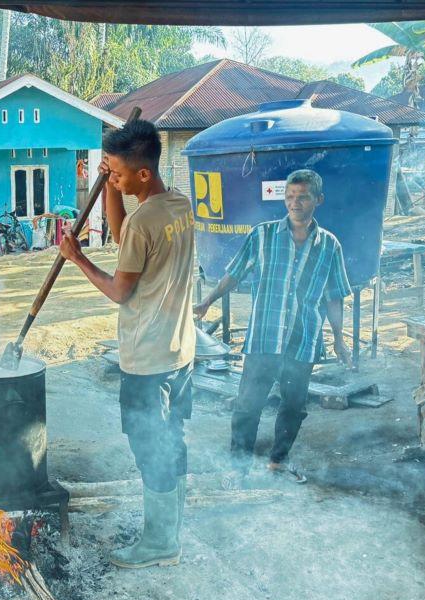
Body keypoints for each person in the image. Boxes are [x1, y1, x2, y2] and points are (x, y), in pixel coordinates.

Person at [59, 119, 196, 569]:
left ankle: (160, 544)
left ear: (142, 174)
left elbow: (120, 289)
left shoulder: (144, 221)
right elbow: (125, 240)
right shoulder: (177, 205)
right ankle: (171, 528)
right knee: (172, 440)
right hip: (180, 352)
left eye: (116, 174)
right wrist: (113, 188)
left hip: (147, 358)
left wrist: (78, 259)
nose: (108, 179)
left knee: (150, 448)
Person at [194, 169, 353, 487]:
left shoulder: (329, 246)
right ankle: (237, 469)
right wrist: (208, 300)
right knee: (247, 406)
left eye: (303, 197)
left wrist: (338, 339)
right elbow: (235, 274)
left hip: (302, 339)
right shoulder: (262, 235)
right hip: (264, 335)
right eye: (291, 196)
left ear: (317, 200)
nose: (295, 203)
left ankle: (278, 461)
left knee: (294, 407)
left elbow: (334, 297)